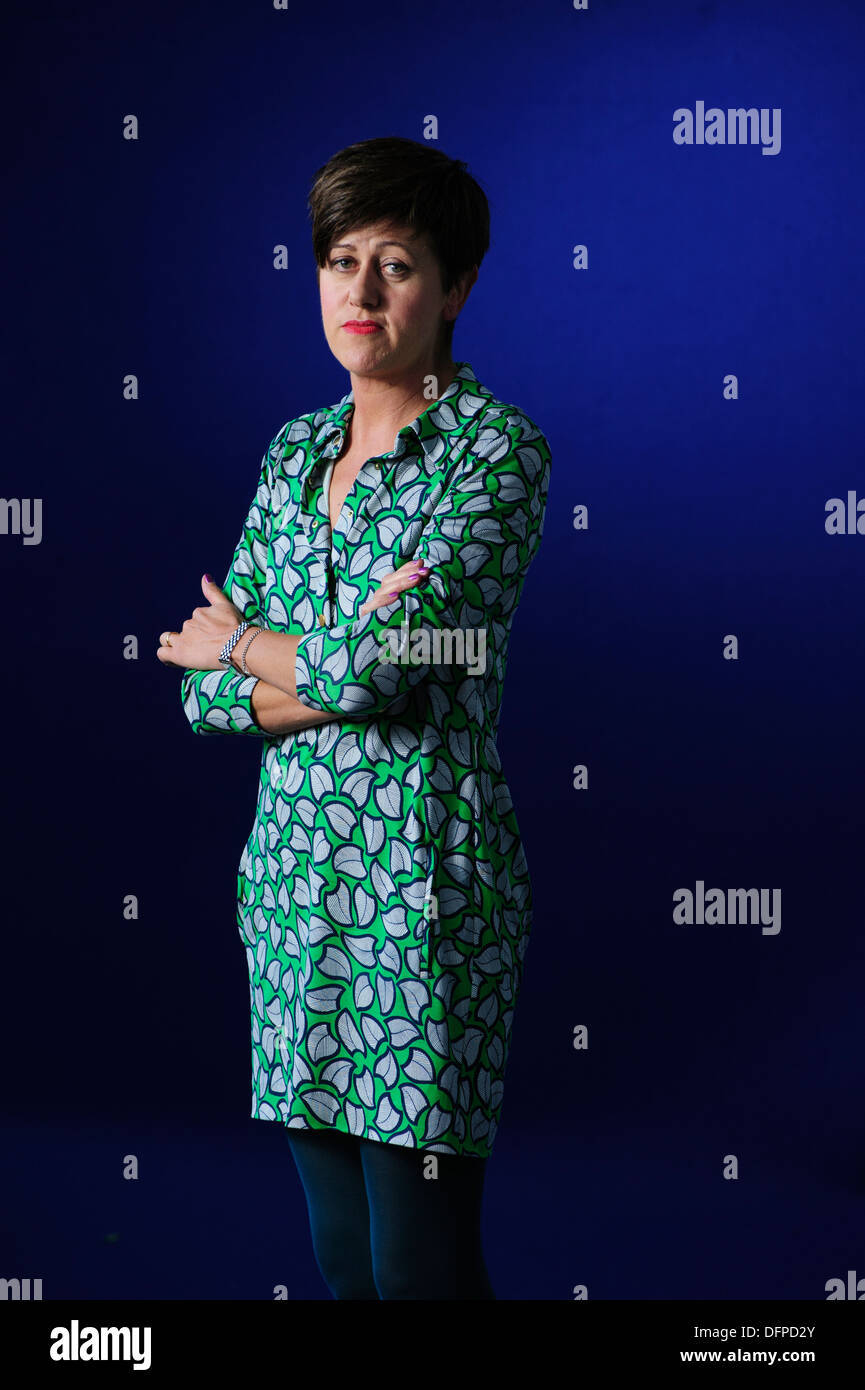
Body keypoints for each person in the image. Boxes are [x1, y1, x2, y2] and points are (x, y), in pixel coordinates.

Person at [157, 135, 552, 1299]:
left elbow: (389, 667)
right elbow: (203, 700)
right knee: (340, 1259)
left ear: (458, 287)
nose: (362, 293)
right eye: (340, 262)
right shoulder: (292, 457)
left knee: (419, 1265)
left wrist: (239, 640)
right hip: (291, 890)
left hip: (424, 901)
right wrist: (299, 662)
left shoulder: (495, 453)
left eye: (397, 264)